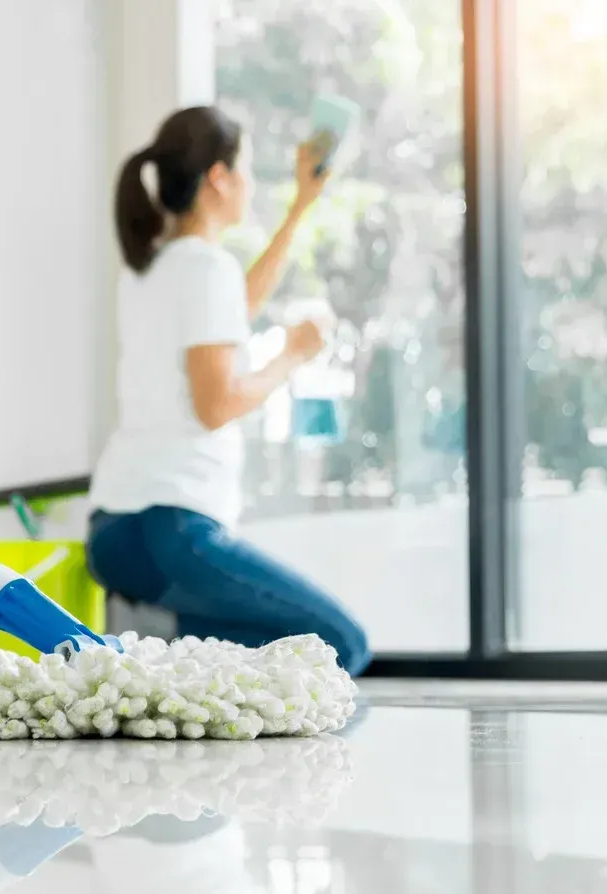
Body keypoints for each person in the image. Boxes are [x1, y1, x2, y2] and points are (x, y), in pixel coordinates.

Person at [86, 105, 372, 676]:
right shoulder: (205, 268)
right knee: (341, 644)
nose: (248, 184)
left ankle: (151, 646)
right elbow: (215, 405)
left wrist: (299, 208)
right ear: (218, 177)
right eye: (243, 169)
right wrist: (292, 355)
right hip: (173, 529)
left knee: (246, 648)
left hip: (114, 532)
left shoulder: (151, 269)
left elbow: (230, 314)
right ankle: (152, 649)